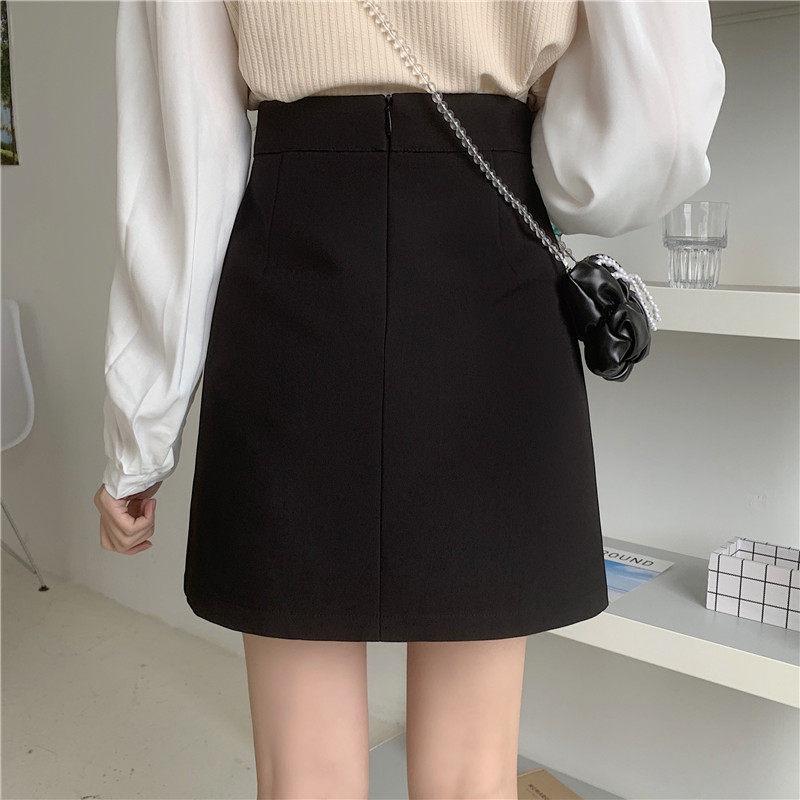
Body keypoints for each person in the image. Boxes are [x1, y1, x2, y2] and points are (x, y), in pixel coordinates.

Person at [94, 1, 725, 798]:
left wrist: (139, 438)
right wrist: (544, 167)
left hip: (295, 257)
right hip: (492, 250)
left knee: (305, 778)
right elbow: (665, 123)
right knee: (471, 776)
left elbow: (184, 167)